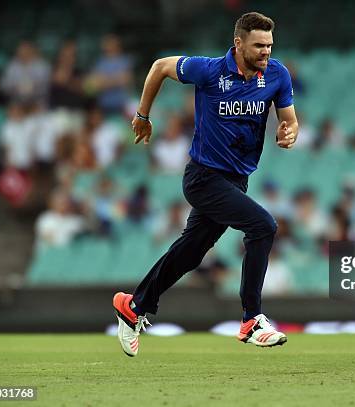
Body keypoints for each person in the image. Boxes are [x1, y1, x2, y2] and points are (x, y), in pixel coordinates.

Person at [113, 12, 298, 356]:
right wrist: (142, 115)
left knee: (191, 251)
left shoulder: (276, 74)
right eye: (259, 45)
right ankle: (252, 319)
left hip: (236, 180)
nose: (266, 52)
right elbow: (159, 67)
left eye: (270, 46)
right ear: (239, 44)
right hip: (203, 177)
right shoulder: (208, 70)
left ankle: (134, 306)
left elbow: (290, 121)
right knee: (263, 227)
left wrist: (289, 132)